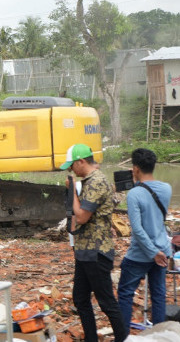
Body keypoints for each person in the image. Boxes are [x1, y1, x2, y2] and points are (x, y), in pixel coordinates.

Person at [63, 144, 127, 342]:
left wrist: (72, 191)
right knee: (81, 299)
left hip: (96, 251)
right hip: (85, 251)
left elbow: (81, 217)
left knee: (107, 302)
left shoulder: (97, 182)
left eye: (72, 165)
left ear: (81, 161)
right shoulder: (90, 180)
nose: (70, 169)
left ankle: (123, 339)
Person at [117, 148, 171, 327]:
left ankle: (122, 337)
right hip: (163, 250)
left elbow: (138, 229)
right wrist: (157, 252)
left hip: (141, 253)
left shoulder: (134, 194)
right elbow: (154, 214)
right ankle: (160, 336)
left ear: (135, 168)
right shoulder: (167, 188)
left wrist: (152, 252)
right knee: (158, 295)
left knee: (125, 293)